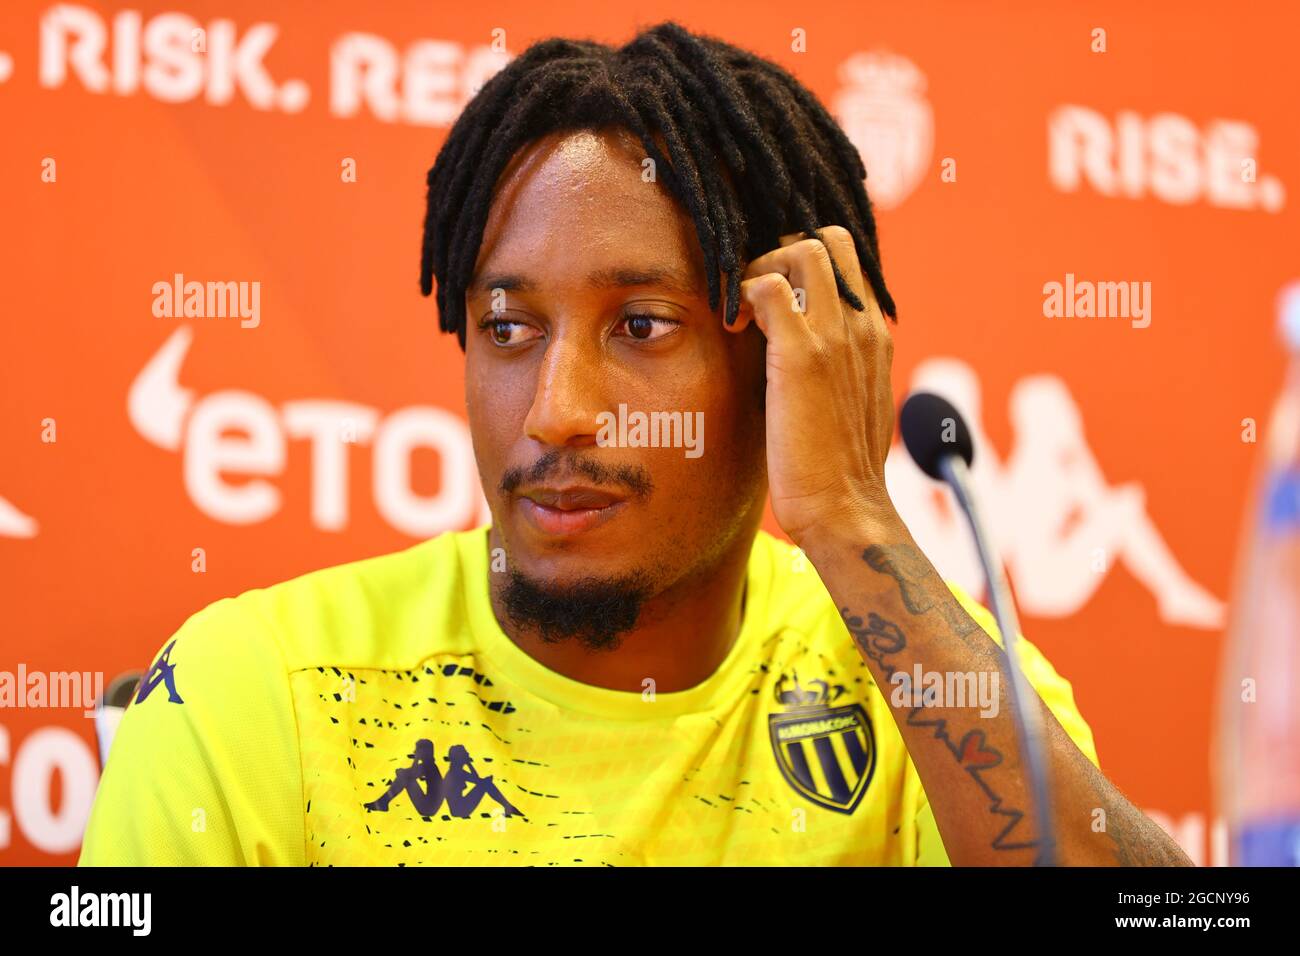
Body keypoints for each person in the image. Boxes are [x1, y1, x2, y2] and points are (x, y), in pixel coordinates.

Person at [79, 21, 1189, 866]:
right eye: (506, 328)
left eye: (641, 326)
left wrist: (851, 518)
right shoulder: (253, 689)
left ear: (789, 352)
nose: (557, 407)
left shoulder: (919, 684)